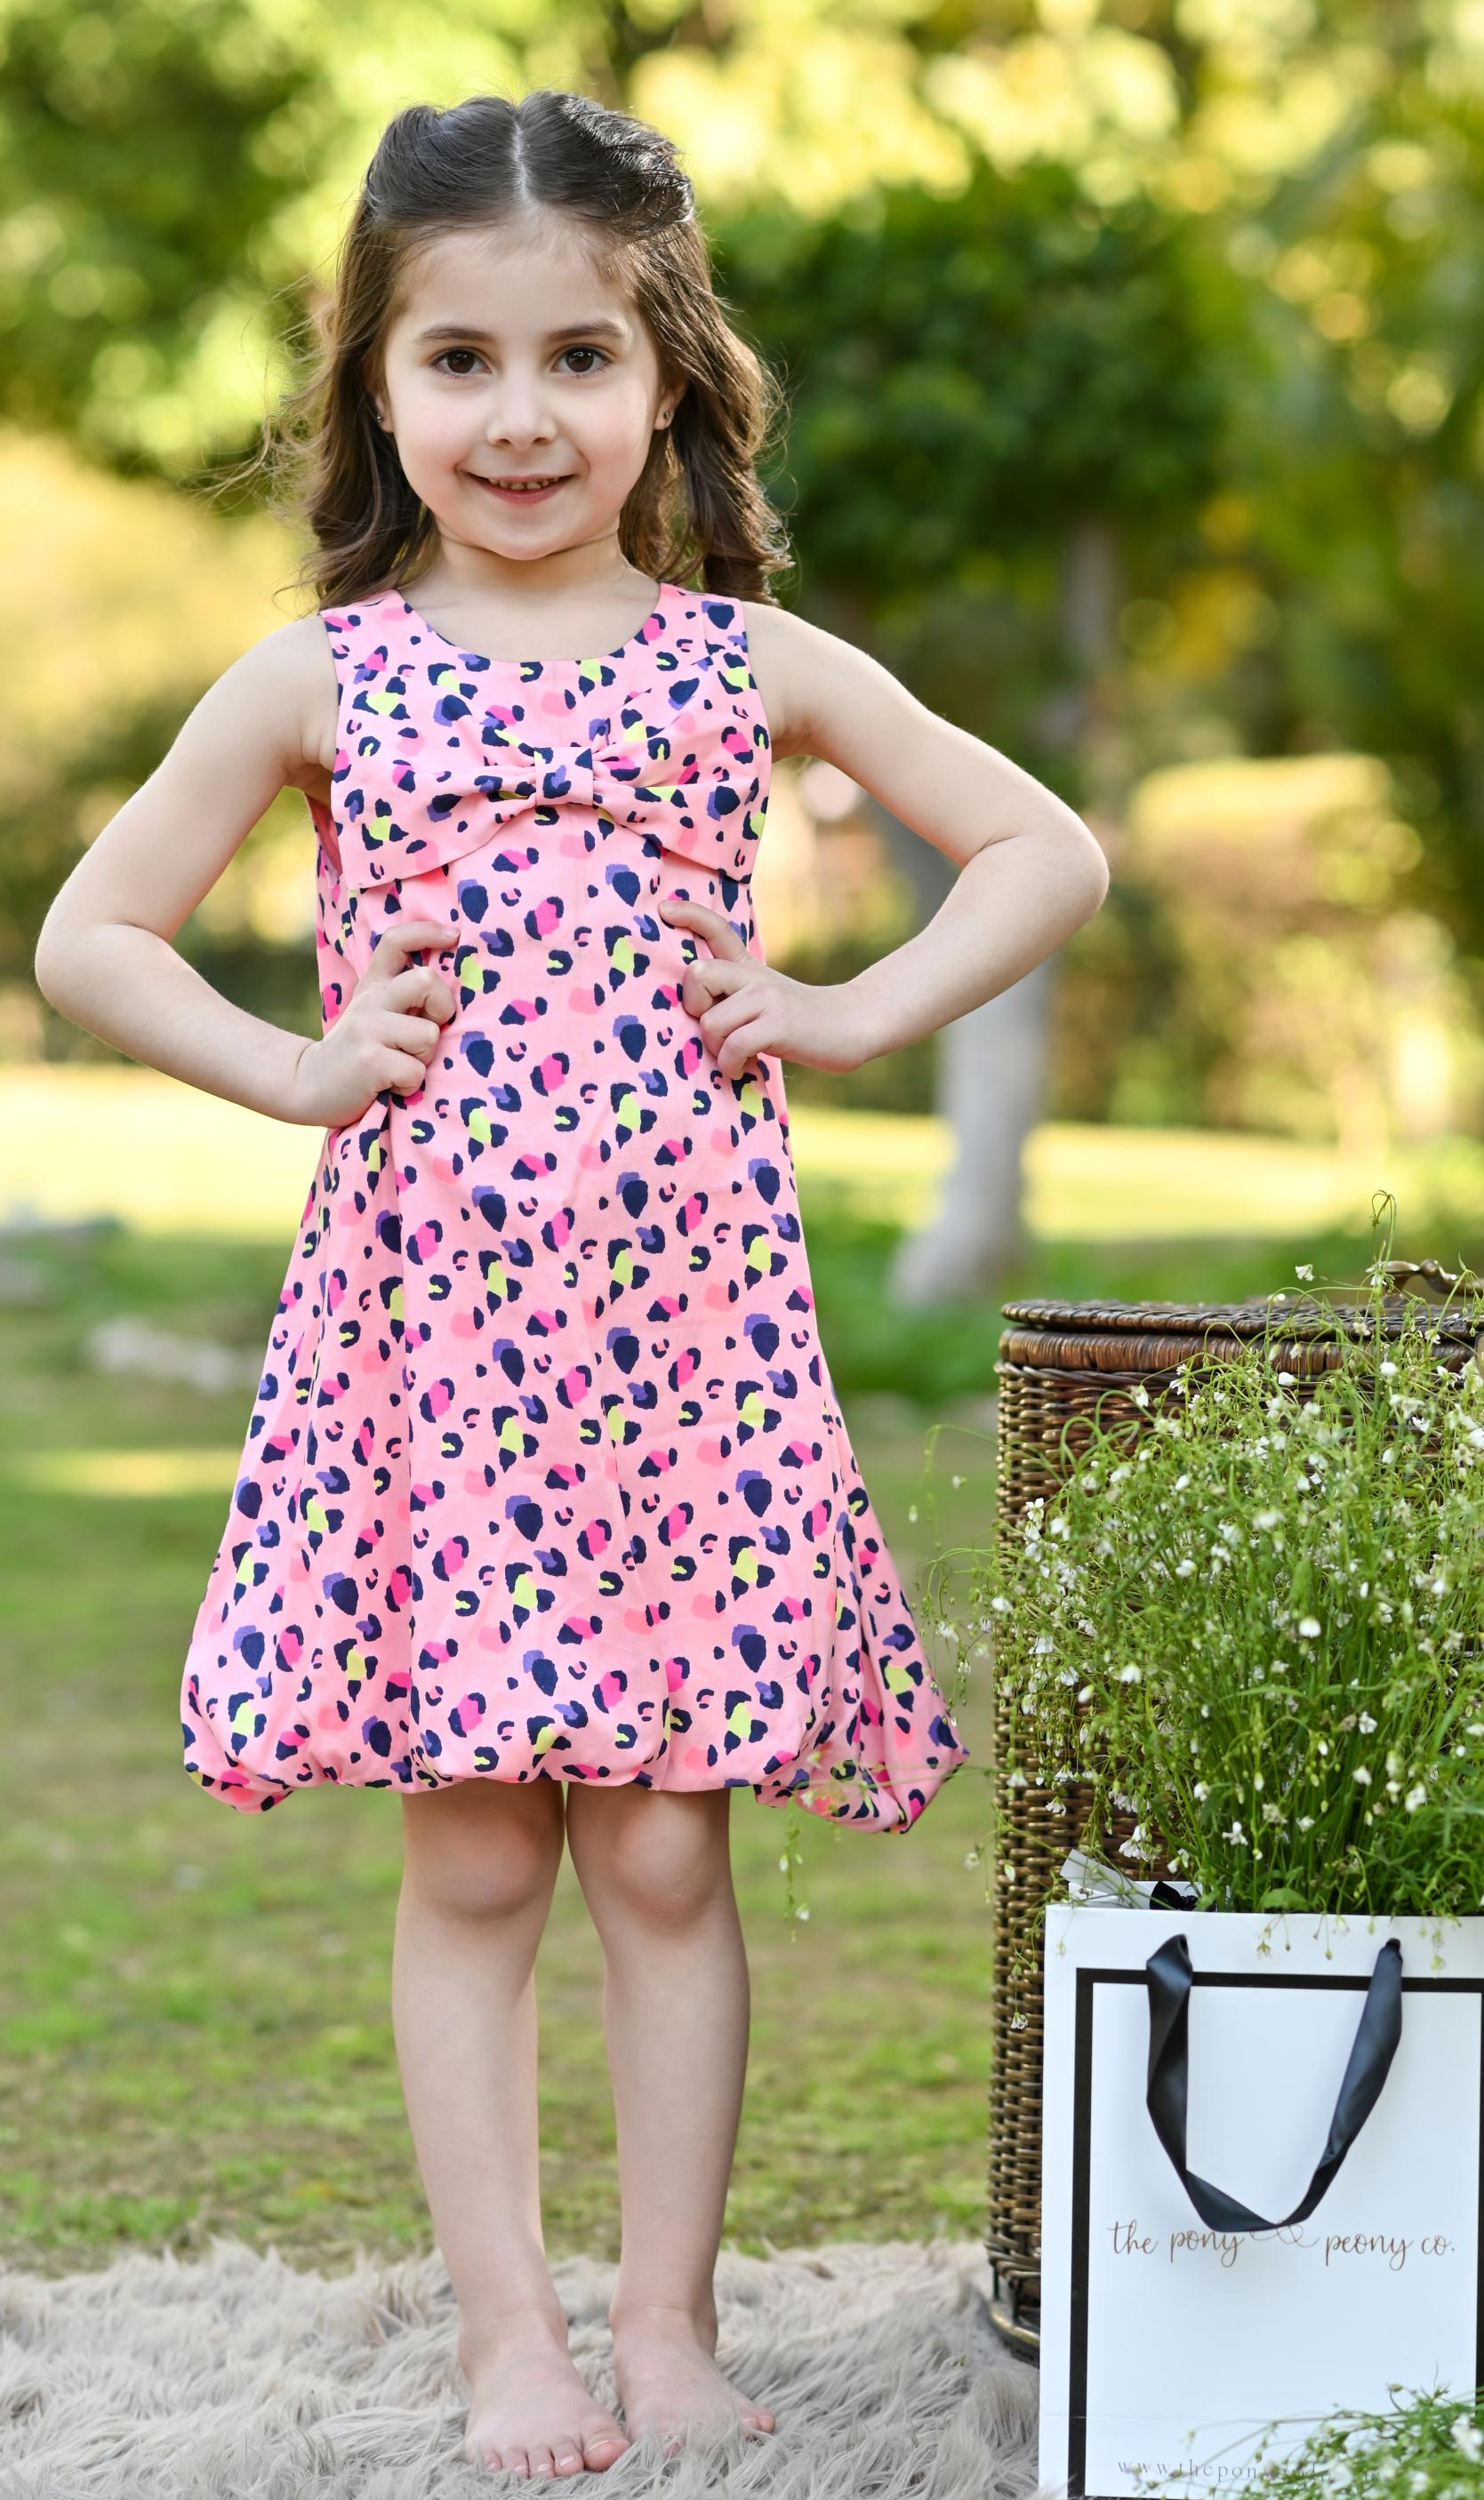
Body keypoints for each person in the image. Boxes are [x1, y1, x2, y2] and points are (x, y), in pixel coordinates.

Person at [32, 88, 1110, 2483]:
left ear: (669, 380)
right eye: (459, 362)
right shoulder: (325, 680)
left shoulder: (743, 665)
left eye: (578, 361)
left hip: (685, 1356)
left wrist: (843, 1015)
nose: (521, 417)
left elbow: (1045, 846)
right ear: (377, 386)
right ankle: (513, 2333)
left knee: (659, 1837)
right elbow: (88, 935)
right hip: (435, 1357)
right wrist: (305, 1069)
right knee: (485, 1842)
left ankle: (672, 2315)